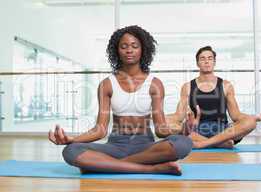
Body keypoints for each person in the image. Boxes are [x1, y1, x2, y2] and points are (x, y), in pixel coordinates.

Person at [48, 25, 193, 175]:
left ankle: (103, 165)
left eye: (134, 46)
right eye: (124, 46)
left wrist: (182, 131)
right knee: (71, 151)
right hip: (115, 146)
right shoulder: (107, 84)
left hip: (145, 146)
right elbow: (100, 130)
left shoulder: (154, 84)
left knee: (184, 144)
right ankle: (151, 168)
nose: (129, 50)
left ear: (143, 50)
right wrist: (72, 140)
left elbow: (161, 130)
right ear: (117, 51)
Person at [166, 46, 261, 149]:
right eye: (202, 58)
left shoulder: (226, 85)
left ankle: (204, 143)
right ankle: (220, 143)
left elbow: (236, 115)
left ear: (214, 62)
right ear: (197, 63)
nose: (206, 61)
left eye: (210, 58)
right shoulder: (187, 87)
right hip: (197, 130)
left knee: (251, 122)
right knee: (170, 126)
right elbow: (179, 116)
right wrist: (160, 117)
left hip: (223, 131)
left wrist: (257, 118)